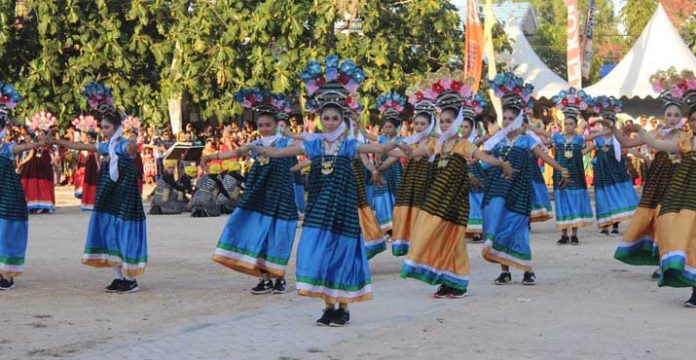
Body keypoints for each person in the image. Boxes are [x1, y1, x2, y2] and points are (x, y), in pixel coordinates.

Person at [247, 55, 404, 326]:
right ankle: (327, 306)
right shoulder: (314, 145)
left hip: (343, 211)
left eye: (334, 118)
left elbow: (378, 148)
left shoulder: (349, 146)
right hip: (319, 211)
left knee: (342, 256)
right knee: (317, 253)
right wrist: (257, 148)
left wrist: (398, 145)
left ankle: (342, 308)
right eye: (326, 118)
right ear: (320, 119)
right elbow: (279, 151)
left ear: (342, 120)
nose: (330, 122)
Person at [401, 72, 514, 298]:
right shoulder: (436, 143)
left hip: (455, 201)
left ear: (458, 122)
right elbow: (416, 153)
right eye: (441, 121)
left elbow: (483, 157)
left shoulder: (463, 145)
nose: (444, 125)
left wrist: (501, 163)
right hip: (436, 200)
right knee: (435, 237)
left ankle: (458, 283)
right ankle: (443, 279)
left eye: (449, 121)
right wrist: (401, 147)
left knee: (455, 242)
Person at [53, 82, 146, 294]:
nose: (103, 131)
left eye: (106, 127)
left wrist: (133, 138)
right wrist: (57, 141)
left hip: (124, 194)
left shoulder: (122, 144)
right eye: (102, 127)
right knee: (106, 230)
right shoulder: (106, 146)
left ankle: (130, 279)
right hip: (108, 193)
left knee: (122, 231)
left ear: (116, 128)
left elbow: (131, 150)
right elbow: (80, 146)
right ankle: (118, 277)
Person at [481, 72, 570, 286]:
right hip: (497, 188)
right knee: (496, 222)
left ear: (520, 119)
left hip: (519, 190)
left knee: (518, 228)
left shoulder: (526, 139)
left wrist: (562, 169)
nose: (507, 122)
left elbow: (544, 155)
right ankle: (504, 271)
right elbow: (482, 157)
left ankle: (527, 270)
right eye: (505, 118)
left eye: (512, 118)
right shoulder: (497, 140)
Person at [210, 88, 298, 295]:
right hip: (259, 196)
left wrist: (289, 132)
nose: (265, 128)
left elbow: (307, 143)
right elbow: (235, 152)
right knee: (258, 234)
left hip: (282, 195)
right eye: (261, 125)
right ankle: (264, 278)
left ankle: (279, 278)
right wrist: (210, 157)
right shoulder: (254, 144)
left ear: (277, 125)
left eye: (269, 125)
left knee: (279, 236)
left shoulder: (286, 143)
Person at [614, 72, 689, 277]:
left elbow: (656, 145)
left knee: (670, 219)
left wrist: (640, 130)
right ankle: (659, 259)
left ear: (682, 116)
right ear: (663, 115)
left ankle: (668, 260)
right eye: (669, 114)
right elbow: (627, 143)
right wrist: (613, 128)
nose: (672, 118)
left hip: (677, 179)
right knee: (655, 218)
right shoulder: (656, 132)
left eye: (676, 114)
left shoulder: (685, 136)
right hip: (657, 178)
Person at [634, 82, 696, 307]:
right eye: (694, 119)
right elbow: (657, 144)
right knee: (688, 241)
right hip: (687, 201)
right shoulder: (686, 142)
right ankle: (695, 291)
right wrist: (638, 131)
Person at [0, 85, 50, 289]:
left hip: (7, 195)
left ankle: (7, 275)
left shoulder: (6, 148)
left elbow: (25, 147)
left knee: (6, 232)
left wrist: (40, 143)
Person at [544, 89, 602, 244]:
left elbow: (593, 136)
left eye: (571, 124)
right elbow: (542, 137)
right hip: (559, 176)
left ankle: (574, 234)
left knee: (575, 202)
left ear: (576, 125)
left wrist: (606, 130)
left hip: (576, 175)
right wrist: (526, 130)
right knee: (562, 202)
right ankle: (564, 234)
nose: (568, 126)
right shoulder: (557, 137)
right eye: (566, 124)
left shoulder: (579, 139)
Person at [390, 89, 436, 256]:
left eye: (422, 124)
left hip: (427, 182)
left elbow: (415, 154)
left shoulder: (434, 141)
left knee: (424, 213)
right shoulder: (412, 140)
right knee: (407, 212)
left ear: (430, 124)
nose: (418, 127)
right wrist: (386, 149)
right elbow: (399, 153)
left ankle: (426, 249)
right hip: (411, 182)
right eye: (416, 124)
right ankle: (415, 247)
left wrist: (393, 147)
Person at [588, 96, 639, 235]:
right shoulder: (598, 139)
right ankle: (604, 225)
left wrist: (642, 156)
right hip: (603, 173)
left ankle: (616, 224)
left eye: (609, 124)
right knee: (603, 197)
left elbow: (630, 148)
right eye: (604, 124)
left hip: (617, 172)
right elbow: (585, 148)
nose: (607, 127)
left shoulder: (618, 139)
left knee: (617, 195)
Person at [364, 93, 405, 234]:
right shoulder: (381, 138)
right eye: (385, 127)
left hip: (395, 170)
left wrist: (380, 166)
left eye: (389, 127)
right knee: (382, 196)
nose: (387, 129)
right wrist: (358, 125)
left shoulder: (400, 139)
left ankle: (396, 226)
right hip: (381, 170)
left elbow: (397, 156)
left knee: (395, 195)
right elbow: (368, 136)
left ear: (395, 127)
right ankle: (386, 227)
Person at [19, 129, 56, 214]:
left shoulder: (48, 147)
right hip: (35, 171)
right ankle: (35, 205)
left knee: (45, 188)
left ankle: (45, 206)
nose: (40, 136)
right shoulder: (35, 146)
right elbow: (30, 156)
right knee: (36, 189)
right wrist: (21, 163)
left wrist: (57, 168)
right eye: (39, 134)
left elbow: (53, 159)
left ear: (46, 136)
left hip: (45, 170)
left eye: (42, 134)